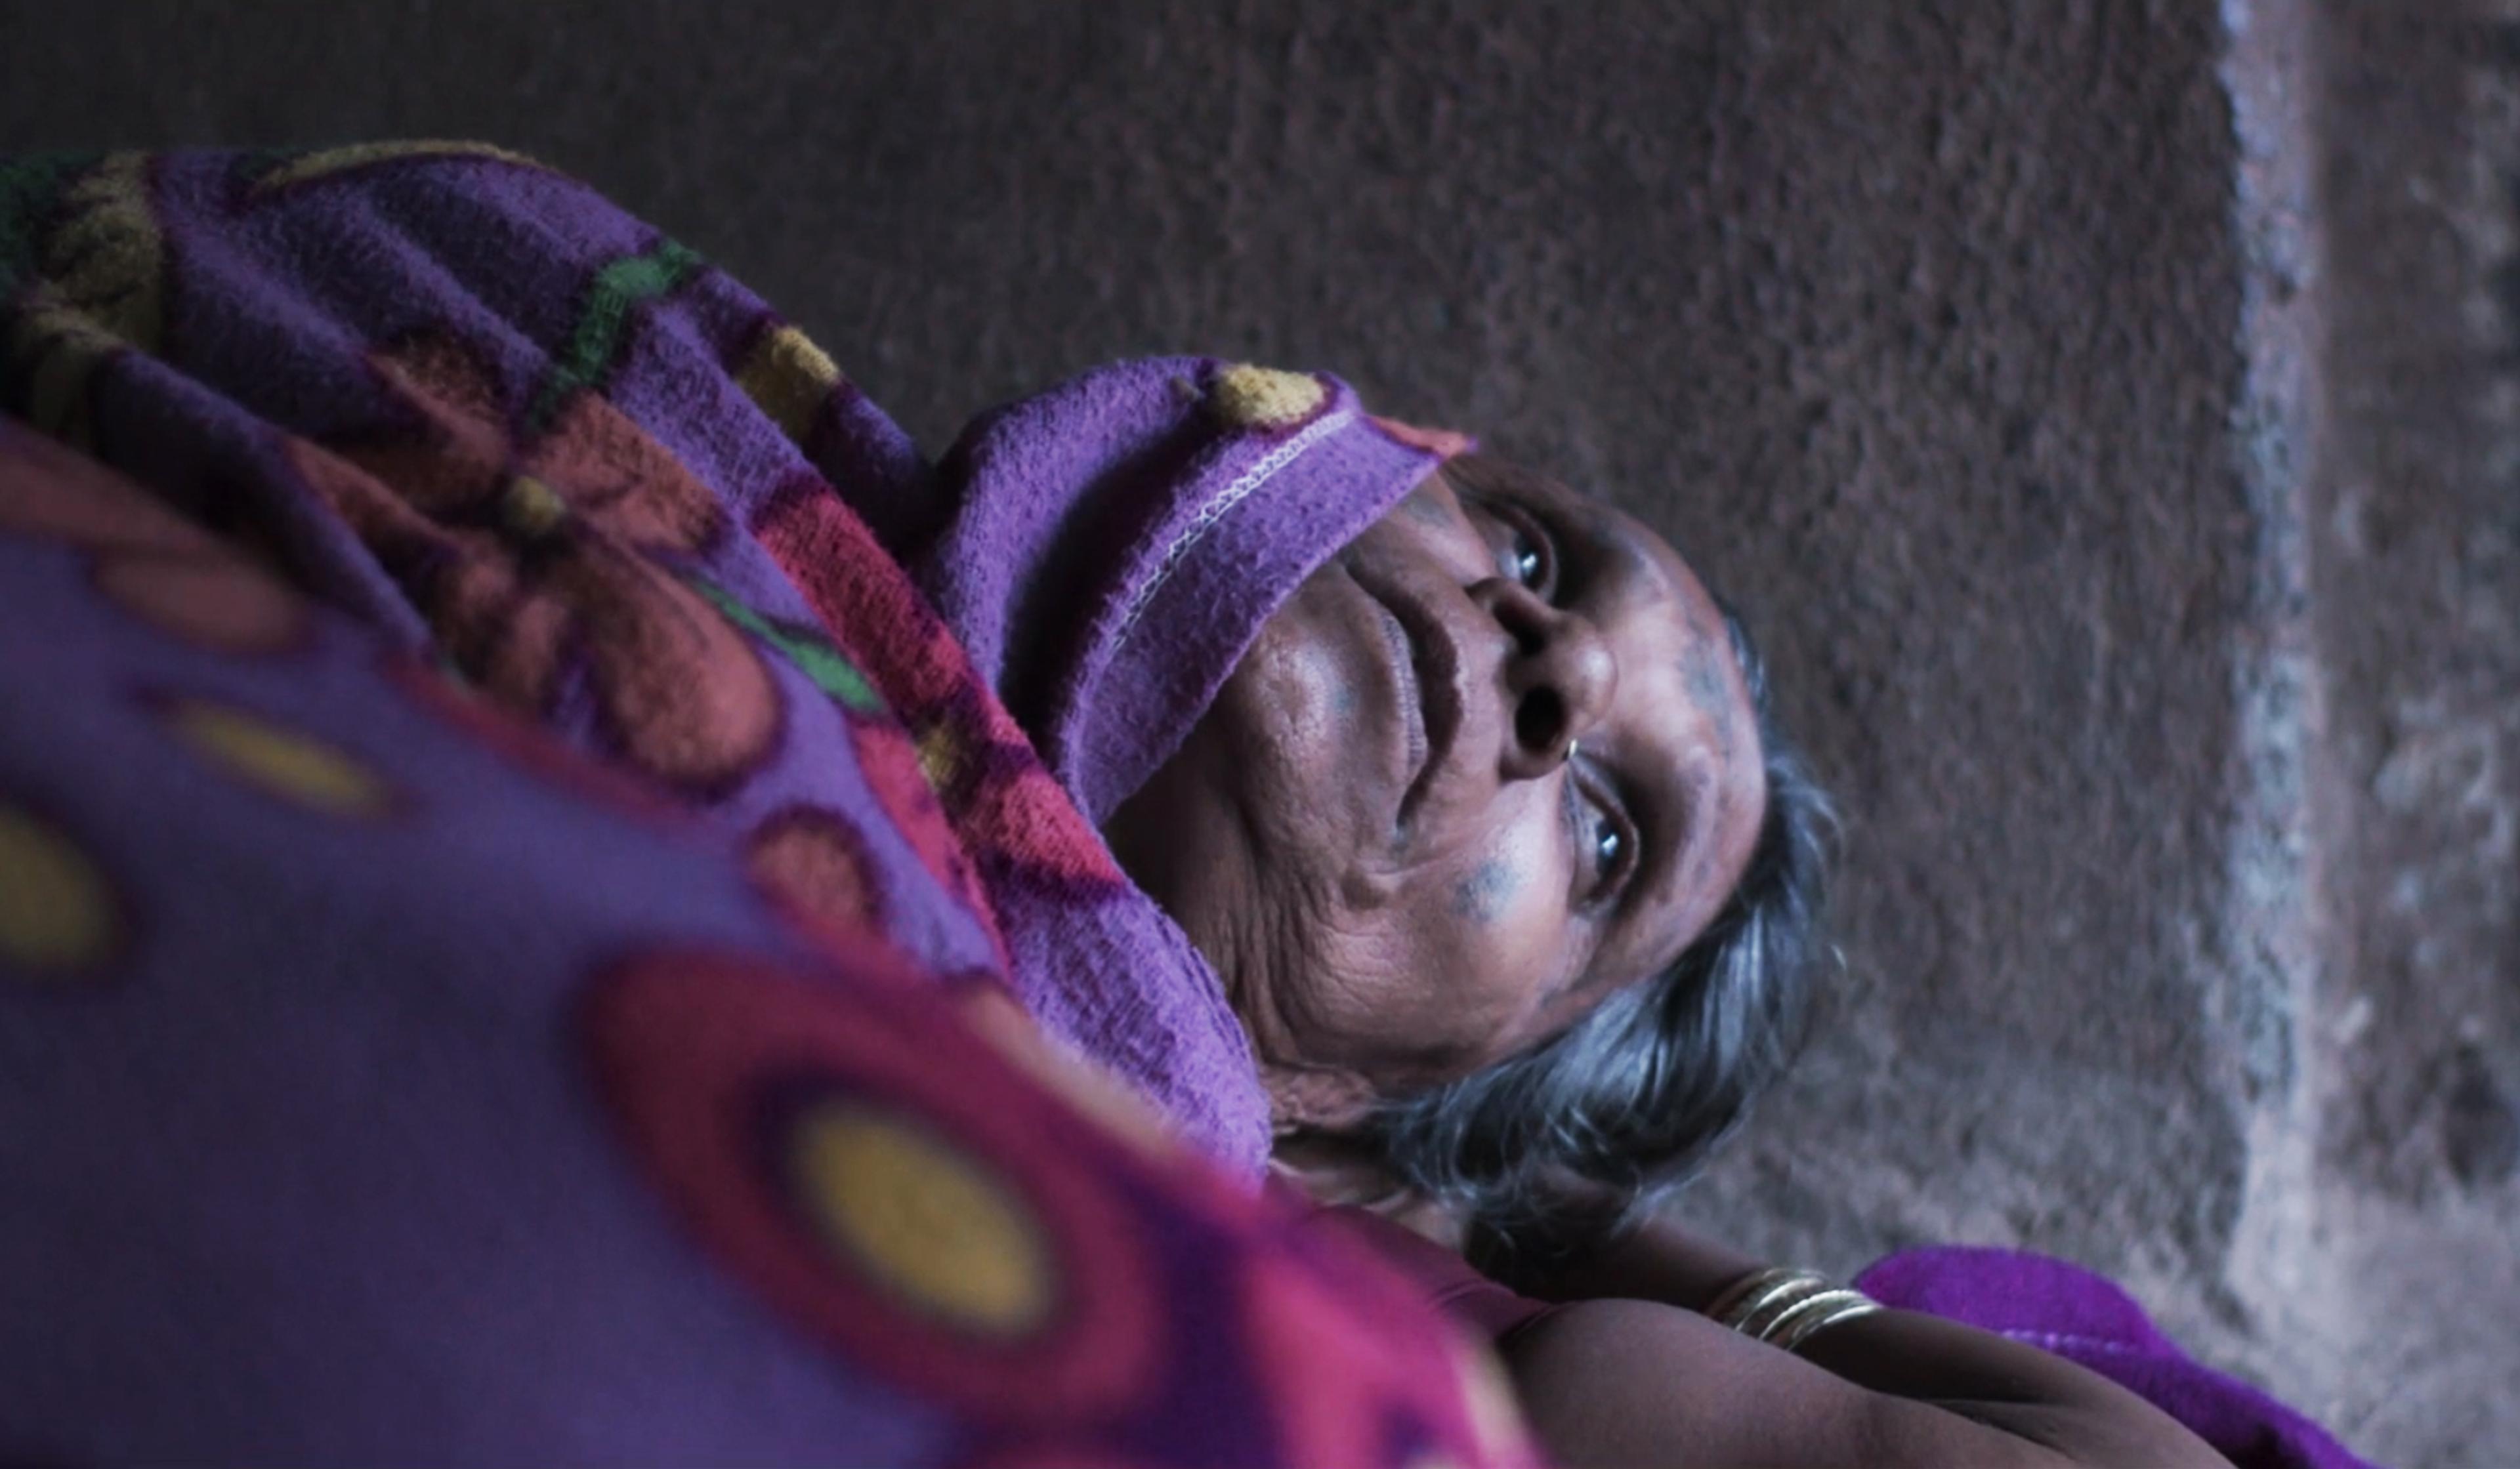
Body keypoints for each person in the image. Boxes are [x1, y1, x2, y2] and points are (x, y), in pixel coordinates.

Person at [0, 145, 2343, 1468]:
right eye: (1536, 557)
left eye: (1607, 835)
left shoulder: (1365, 1303)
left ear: (1413, 1112)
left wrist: (1625, 1255)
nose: (1542, 672)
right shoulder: (586, 347)